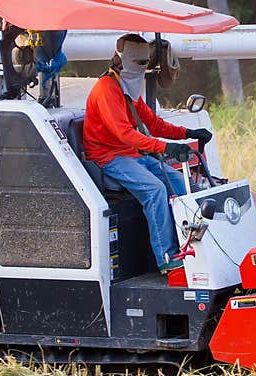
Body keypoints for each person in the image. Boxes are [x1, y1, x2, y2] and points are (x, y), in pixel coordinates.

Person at [83, 33, 213, 274]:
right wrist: (165, 147)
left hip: (130, 154)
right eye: (140, 64)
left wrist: (187, 132)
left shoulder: (127, 90)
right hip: (108, 158)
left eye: (145, 63)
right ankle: (167, 257)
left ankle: (194, 246)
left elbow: (153, 124)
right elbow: (125, 134)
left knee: (178, 182)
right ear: (120, 60)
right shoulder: (106, 90)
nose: (143, 69)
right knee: (155, 190)